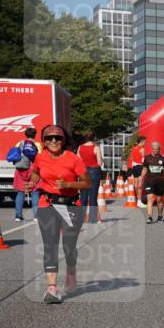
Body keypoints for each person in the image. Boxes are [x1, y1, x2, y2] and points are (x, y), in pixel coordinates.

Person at [26, 125, 90, 303]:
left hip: (71, 206)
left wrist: (69, 185)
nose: (53, 141)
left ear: (63, 141)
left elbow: (88, 183)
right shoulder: (40, 157)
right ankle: (52, 288)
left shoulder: (72, 159)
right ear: (44, 142)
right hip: (47, 204)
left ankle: (71, 270)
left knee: (69, 247)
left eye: (57, 138)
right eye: (49, 138)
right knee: (50, 245)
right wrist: (32, 183)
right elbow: (36, 173)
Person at [11, 127, 41, 221]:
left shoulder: (19, 143)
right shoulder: (37, 144)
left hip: (21, 170)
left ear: (25, 134)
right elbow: (39, 158)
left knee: (20, 193)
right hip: (33, 170)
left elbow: (15, 156)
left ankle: (18, 216)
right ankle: (36, 217)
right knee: (35, 193)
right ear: (35, 135)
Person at [77, 130, 105, 224]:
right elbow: (99, 163)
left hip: (83, 172)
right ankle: (93, 218)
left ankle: (82, 218)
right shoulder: (96, 147)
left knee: (83, 196)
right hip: (94, 172)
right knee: (93, 196)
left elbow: (78, 162)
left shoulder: (80, 147)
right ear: (94, 137)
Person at [142, 141, 164, 223]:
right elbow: (144, 169)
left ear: (159, 150)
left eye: (156, 149)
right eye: (153, 149)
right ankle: (150, 217)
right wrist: (141, 179)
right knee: (149, 198)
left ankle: (160, 216)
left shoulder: (163, 159)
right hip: (149, 181)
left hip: (160, 181)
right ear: (151, 149)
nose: (155, 151)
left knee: (159, 200)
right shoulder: (147, 158)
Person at [128, 136, 147, 208]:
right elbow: (143, 160)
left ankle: (137, 200)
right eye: (145, 142)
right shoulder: (142, 149)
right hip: (140, 166)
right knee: (140, 184)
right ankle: (139, 201)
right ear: (141, 141)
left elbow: (131, 158)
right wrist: (145, 168)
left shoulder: (133, 148)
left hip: (134, 167)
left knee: (135, 184)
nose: (145, 143)